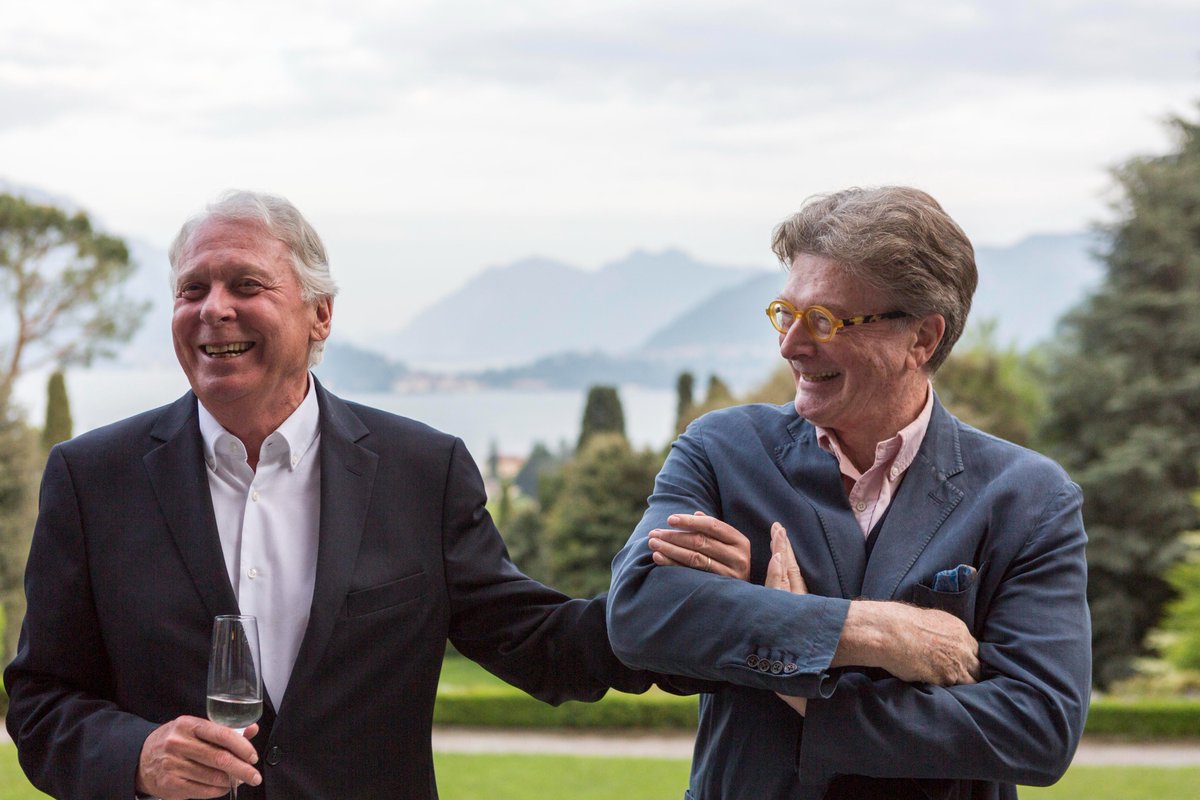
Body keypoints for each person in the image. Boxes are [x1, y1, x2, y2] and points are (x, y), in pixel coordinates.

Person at [4, 190, 698, 800]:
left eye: (246, 284)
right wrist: (137, 757)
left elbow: (542, 644)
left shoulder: (422, 473)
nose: (214, 308)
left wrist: (691, 605)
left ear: (321, 315)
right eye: (192, 290)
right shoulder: (92, 479)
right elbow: (40, 700)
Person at [607, 186, 1091, 799]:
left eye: (824, 321)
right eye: (785, 313)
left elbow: (1037, 729)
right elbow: (640, 612)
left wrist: (792, 675)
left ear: (921, 339)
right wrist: (877, 633)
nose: (790, 345)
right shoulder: (721, 450)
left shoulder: (1030, 496)